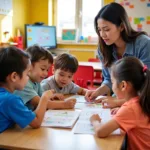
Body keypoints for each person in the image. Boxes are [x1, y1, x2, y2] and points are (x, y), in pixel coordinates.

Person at [85, 2, 150, 108]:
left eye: (106, 29)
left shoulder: (144, 44)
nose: (102, 35)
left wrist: (117, 102)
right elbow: (108, 80)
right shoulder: (103, 48)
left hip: (142, 104)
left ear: (121, 26)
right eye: (99, 30)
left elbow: (147, 86)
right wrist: (97, 92)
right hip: (118, 102)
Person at [90, 57, 150, 150]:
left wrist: (95, 121)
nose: (112, 86)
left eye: (113, 82)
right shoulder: (142, 99)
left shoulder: (130, 108)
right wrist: (121, 110)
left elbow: (100, 132)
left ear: (123, 85)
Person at [0, 47, 54, 133]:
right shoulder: (11, 100)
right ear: (14, 77)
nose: (27, 78)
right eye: (26, 74)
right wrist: (44, 98)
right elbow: (36, 123)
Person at [14, 45, 76, 110]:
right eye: (43, 69)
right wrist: (64, 104)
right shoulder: (24, 84)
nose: (46, 73)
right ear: (29, 66)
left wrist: (52, 96)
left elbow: (43, 97)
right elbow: (40, 103)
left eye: (47, 70)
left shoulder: (36, 81)